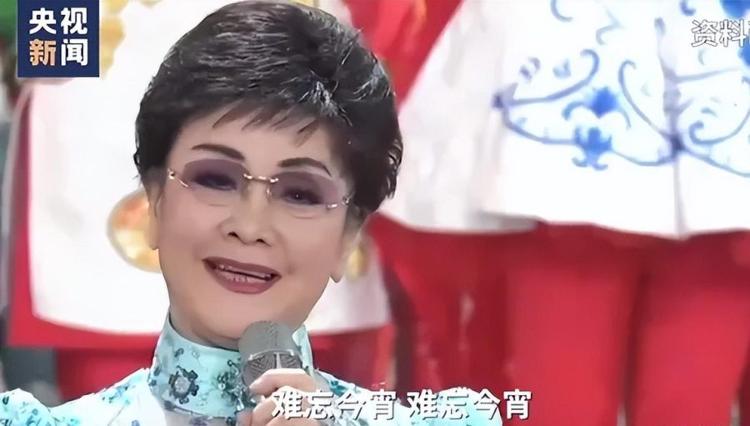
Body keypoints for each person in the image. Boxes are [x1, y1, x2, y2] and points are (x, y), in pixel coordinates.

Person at [0, 1, 499, 425]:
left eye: (299, 194)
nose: (250, 226)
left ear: (350, 231)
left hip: (325, 84)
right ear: (152, 199)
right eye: (216, 179)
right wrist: (50, 54)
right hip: (112, 103)